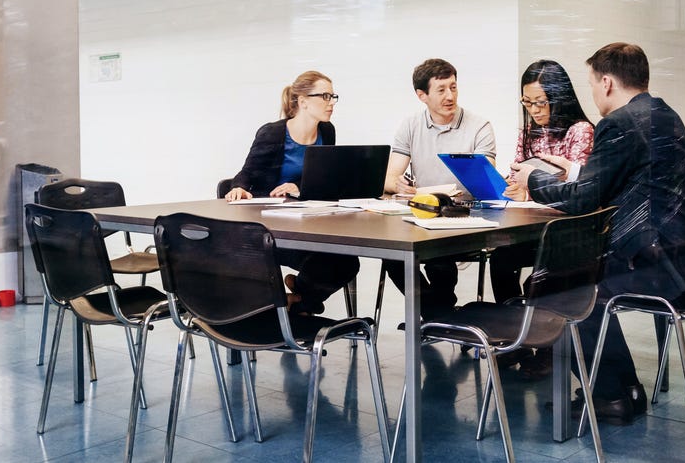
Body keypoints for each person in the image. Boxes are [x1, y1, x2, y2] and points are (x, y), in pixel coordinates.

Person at [510, 43, 685, 424]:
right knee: (571, 283)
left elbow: (584, 200)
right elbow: (626, 179)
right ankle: (624, 388)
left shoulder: (619, 123)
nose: (592, 94)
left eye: (591, 85)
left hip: (662, 265)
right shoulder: (663, 114)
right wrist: (571, 171)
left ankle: (611, 395)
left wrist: (533, 178)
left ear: (606, 82)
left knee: (558, 289)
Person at [489, 59, 594, 380]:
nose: (534, 109)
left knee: (538, 277)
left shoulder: (580, 131)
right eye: (527, 102)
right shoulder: (529, 132)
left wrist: (530, 192)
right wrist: (511, 185)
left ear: (558, 97)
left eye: (540, 101)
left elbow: (577, 191)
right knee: (501, 259)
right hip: (533, 227)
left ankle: (549, 347)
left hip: (567, 232)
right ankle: (514, 338)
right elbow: (516, 174)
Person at [225, 70, 360, 314]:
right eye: (325, 96)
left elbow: (320, 177)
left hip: (310, 223)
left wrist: (299, 186)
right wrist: (238, 187)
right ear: (303, 101)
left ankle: (298, 298)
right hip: (274, 229)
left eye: (333, 96)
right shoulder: (273, 133)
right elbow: (247, 173)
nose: (331, 103)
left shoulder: (327, 131)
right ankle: (302, 304)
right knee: (330, 262)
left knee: (347, 262)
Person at [382, 58, 496, 320]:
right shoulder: (410, 125)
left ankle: (437, 315)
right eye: (441, 89)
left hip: (464, 215)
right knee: (392, 255)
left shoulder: (479, 126)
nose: (450, 96)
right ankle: (438, 314)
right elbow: (389, 177)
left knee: (438, 259)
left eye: (453, 87)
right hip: (425, 213)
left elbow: (486, 180)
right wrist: (398, 183)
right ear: (422, 95)